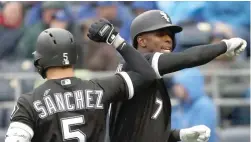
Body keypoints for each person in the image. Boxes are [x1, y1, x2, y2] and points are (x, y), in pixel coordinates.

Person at [4, 19, 156, 142]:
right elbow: (147, 74)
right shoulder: (100, 88)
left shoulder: (29, 102)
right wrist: (115, 40)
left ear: (40, 60)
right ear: (73, 57)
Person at [108, 10, 247, 142]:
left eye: (170, 35)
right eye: (160, 34)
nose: (168, 39)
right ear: (142, 41)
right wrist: (224, 46)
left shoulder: (151, 80)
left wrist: (179, 135)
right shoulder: (138, 64)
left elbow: (143, 134)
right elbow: (190, 57)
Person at [171, 67, 217, 142]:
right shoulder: (179, 106)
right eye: (175, 84)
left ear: (191, 84)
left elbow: (198, 137)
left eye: (179, 84)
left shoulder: (205, 106)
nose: (175, 88)